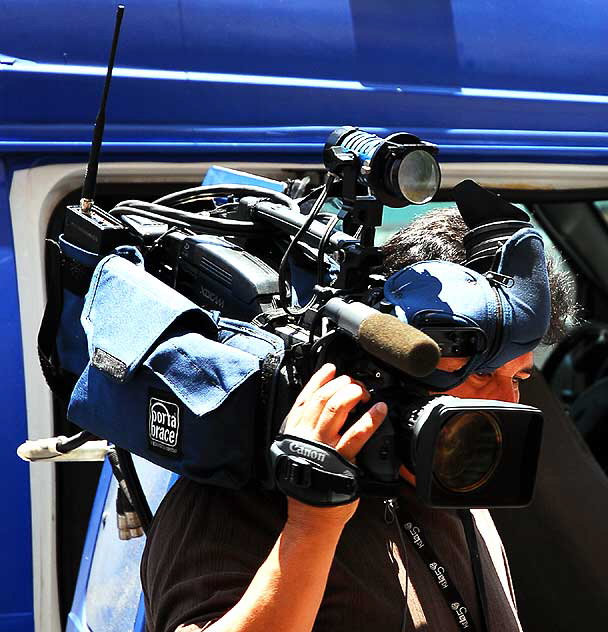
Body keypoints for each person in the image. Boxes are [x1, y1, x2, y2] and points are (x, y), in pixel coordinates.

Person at [140, 207, 576, 632]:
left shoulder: (453, 478)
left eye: (519, 377)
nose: (507, 401)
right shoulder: (237, 501)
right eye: (481, 373)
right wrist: (312, 526)